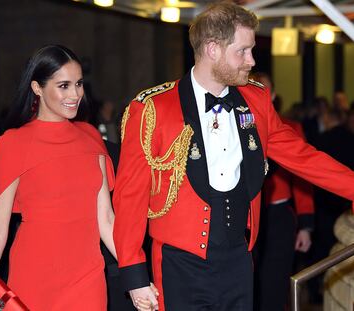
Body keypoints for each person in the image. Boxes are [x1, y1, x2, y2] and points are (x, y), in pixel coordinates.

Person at [112, 2, 354, 311]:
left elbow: (302, 156)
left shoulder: (256, 100)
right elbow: (130, 195)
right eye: (243, 51)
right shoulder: (152, 108)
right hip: (178, 264)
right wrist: (134, 275)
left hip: (239, 260)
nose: (251, 61)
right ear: (212, 49)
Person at [0, 45, 153, 311]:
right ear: (37, 88)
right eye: (64, 85)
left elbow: (106, 220)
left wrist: (139, 277)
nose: (75, 94)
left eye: (78, 84)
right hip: (33, 277)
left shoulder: (91, 137)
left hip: (87, 278)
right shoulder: (12, 144)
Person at [251, 73, 315, 311]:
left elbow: (304, 177)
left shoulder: (290, 127)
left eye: (265, 92)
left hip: (278, 215)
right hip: (245, 217)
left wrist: (306, 225)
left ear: (274, 96)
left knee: (275, 284)